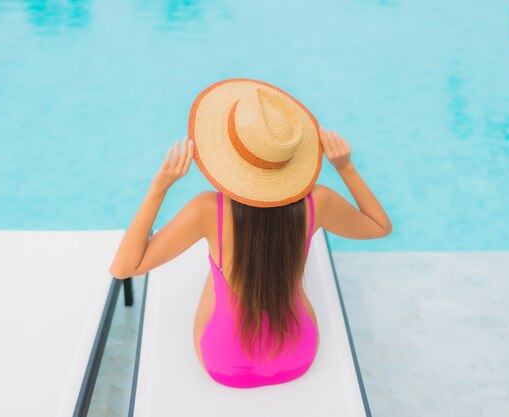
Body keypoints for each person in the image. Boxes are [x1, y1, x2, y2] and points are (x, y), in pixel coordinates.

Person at [109, 78, 392, 389]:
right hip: (299, 356)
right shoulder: (318, 203)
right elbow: (380, 226)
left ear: (228, 155)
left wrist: (158, 189)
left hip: (226, 366)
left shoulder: (207, 210)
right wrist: (346, 167)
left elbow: (124, 267)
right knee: (284, 279)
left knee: (219, 272)